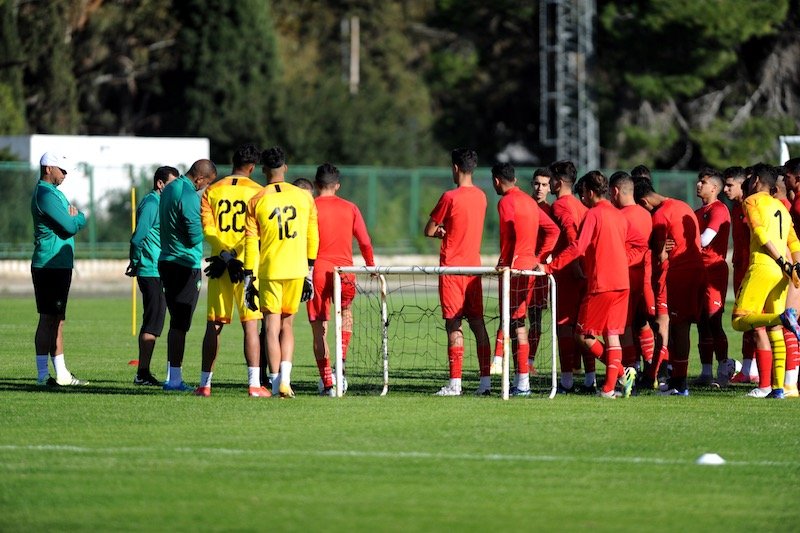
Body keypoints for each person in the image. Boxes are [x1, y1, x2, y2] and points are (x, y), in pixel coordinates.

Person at [538, 170, 636, 398]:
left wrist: (550, 266)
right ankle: (610, 388)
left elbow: (577, 247)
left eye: (583, 193)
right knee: (612, 335)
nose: (582, 198)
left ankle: (621, 374)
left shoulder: (594, 214)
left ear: (591, 192)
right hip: (622, 283)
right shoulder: (619, 216)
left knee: (582, 334)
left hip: (602, 283)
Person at [244, 147, 319, 398]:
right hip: (297, 269)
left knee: (271, 326)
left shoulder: (256, 199)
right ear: (285, 168)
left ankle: (275, 382)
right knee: (288, 325)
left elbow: (250, 243)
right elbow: (312, 236)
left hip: (270, 270)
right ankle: (286, 379)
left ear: (263, 170)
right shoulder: (304, 197)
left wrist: (248, 277)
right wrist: (309, 270)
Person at [194, 144, 268, 397]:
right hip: (246, 266)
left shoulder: (211, 190)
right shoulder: (259, 192)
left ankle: (204, 385)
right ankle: (254, 385)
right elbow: (255, 231)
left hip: (219, 265)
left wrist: (223, 253)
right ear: (252, 167)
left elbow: (208, 228)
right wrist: (235, 254)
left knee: (214, 324)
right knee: (250, 324)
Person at [424, 148, 491, 396]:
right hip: (473, 268)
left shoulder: (449, 197)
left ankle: (455, 384)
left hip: (452, 268)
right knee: (478, 324)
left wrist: (442, 231)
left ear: (455, 168)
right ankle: (485, 383)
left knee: (454, 325)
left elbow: (429, 230)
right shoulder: (482, 197)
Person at [730, 163, 800, 399]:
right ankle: (778, 389)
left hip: (763, 266)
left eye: (750, 180)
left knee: (739, 320)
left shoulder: (752, 202)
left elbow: (760, 234)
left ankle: (782, 317)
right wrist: (794, 265)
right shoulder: (781, 206)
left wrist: (780, 260)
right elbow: (794, 242)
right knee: (776, 331)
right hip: (783, 274)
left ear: (757, 180)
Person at [633, 177, 705, 396]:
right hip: (695, 271)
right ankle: (673, 378)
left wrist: (660, 250)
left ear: (644, 201)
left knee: (673, 327)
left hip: (677, 274)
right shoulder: (681, 205)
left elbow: (662, 254)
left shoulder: (661, 215)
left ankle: (677, 382)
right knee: (676, 328)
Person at [309, 163, 375, 396]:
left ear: (316, 185)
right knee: (346, 313)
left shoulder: (311, 206)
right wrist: (371, 265)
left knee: (319, 327)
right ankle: (340, 367)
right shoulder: (350, 207)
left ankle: (327, 381)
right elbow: (365, 241)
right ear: (337, 185)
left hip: (318, 270)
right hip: (345, 271)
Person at [159, 159, 218, 391]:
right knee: (180, 324)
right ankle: (174, 379)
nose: (205, 188)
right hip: (184, 264)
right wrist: (210, 227)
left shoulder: (170, 188)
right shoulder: (189, 195)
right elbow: (194, 236)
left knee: (176, 323)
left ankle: (172, 375)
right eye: (207, 183)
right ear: (200, 178)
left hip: (166, 260)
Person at [31, 152, 88, 387]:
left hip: (59, 265)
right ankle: (43, 376)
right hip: (49, 265)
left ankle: (62, 374)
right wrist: (78, 219)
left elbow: (74, 219)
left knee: (58, 319)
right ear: (48, 169)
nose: (65, 174)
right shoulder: (45, 194)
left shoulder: (55, 194)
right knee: (48, 319)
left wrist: (76, 218)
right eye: (61, 169)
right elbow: (69, 225)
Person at [125, 165, 179, 386]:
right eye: (172, 184)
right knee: (152, 323)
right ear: (160, 184)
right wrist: (135, 261)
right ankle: (142, 373)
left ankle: (145, 372)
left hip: (160, 270)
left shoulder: (163, 204)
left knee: (156, 321)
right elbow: (138, 237)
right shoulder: (151, 203)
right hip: (151, 271)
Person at [493, 162, 539, 396]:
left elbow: (509, 238)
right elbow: (552, 230)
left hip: (515, 269)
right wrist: (540, 257)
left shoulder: (505, 202)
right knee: (518, 322)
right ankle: (521, 382)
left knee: (512, 321)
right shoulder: (530, 202)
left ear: (497, 181)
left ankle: (501, 367)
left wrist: (505, 263)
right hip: (529, 268)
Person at [609, 171, 655, 386]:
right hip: (643, 276)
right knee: (642, 322)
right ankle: (651, 366)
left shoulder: (619, 217)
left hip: (624, 277)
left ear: (615, 191)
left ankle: (630, 369)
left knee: (623, 326)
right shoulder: (646, 214)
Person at [547, 160, 590, 393]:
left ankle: (566, 382)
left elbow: (573, 239)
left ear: (559, 181)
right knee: (584, 328)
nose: (550, 183)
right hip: (584, 271)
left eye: (552, 179)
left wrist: (570, 265)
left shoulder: (560, 206)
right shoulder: (581, 206)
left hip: (569, 273)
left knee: (564, 327)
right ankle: (590, 379)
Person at [693, 168, 732, 386]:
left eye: (703, 182)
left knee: (714, 320)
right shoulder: (697, 212)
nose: (699, 184)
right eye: (699, 181)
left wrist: (681, 244)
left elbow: (706, 239)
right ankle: (706, 372)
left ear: (714, 188)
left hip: (714, 272)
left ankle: (725, 368)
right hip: (697, 271)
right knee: (700, 322)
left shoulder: (719, 209)